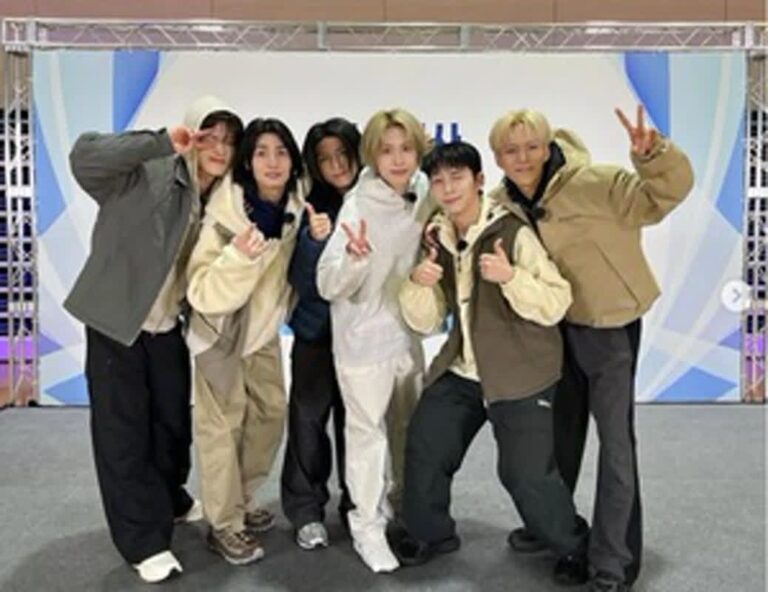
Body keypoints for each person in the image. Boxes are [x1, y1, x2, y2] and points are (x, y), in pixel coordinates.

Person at [488, 107, 694, 592]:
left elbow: (662, 196)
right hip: (550, 330)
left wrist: (654, 156)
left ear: (548, 146)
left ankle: (613, 561)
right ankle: (556, 529)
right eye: (511, 150)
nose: (523, 158)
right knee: (557, 437)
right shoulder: (502, 203)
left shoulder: (597, 182)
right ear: (498, 156)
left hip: (608, 327)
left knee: (615, 444)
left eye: (532, 146)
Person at [394, 140, 589, 586]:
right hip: (464, 368)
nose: (448, 188)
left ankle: (574, 546)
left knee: (524, 475)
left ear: (479, 181)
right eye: (438, 180)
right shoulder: (436, 235)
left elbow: (557, 301)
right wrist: (419, 284)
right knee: (426, 443)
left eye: (457, 177)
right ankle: (429, 533)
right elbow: (426, 321)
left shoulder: (513, 232)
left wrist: (511, 277)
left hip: (521, 371)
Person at [65, 96, 242, 583]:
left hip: (167, 326)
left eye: (228, 140)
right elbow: (84, 157)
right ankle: (143, 541)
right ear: (191, 134)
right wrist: (161, 142)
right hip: (116, 320)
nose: (219, 148)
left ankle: (168, 497)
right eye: (209, 136)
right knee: (123, 434)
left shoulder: (224, 198)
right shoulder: (149, 170)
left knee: (171, 425)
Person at [185, 118, 306, 565]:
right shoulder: (225, 216)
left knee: (270, 417)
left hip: (263, 335)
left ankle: (241, 497)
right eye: (261, 152)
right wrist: (239, 256)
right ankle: (223, 524)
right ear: (247, 162)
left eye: (281, 151)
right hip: (220, 335)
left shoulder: (296, 209)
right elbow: (200, 291)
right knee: (221, 430)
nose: (272, 162)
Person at [316, 108, 432, 573]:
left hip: (407, 337)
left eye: (406, 148)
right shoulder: (358, 205)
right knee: (367, 436)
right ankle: (367, 525)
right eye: (387, 150)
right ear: (372, 155)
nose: (398, 159)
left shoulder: (423, 193)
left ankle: (403, 508)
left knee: (409, 431)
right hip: (363, 339)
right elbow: (327, 283)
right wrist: (355, 259)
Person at [280, 117, 361, 550]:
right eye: (325, 158)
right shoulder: (310, 205)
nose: (336, 165)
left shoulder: (378, 197)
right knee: (308, 421)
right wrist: (314, 241)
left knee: (360, 424)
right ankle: (305, 509)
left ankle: (359, 504)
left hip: (363, 335)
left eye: (342, 154)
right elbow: (300, 280)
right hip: (317, 333)